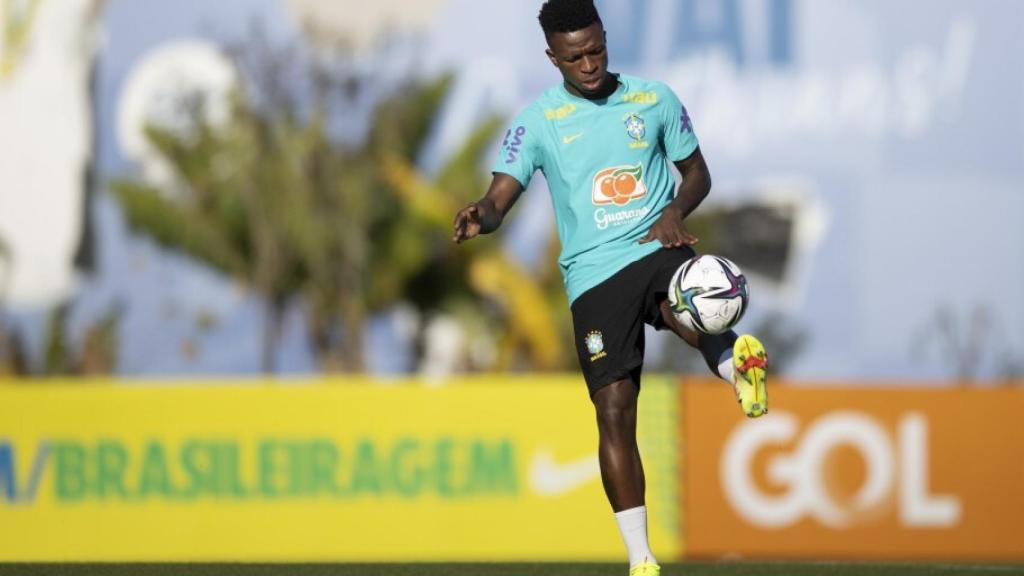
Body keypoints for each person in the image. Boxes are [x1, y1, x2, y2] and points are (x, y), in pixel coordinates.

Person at [452, 1, 768, 574]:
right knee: (615, 410)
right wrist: (482, 215)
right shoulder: (539, 121)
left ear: (605, 38)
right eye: (575, 57)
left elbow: (699, 172)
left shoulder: (654, 99)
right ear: (553, 57)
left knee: (687, 302)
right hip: (593, 276)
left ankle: (736, 365)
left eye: (596, 50)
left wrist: (674, 210)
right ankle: (641, 559)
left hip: (656, 242)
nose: (590, 64)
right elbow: (502, 195)